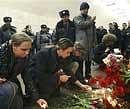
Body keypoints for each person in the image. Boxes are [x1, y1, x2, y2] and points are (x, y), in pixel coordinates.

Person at [0, 32, 47, 109]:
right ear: (14, 46)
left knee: (19, 104)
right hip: (6, 86)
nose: (27, 53)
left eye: (29, 49)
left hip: (10, 82)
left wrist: (37, 98)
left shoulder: (24, 56)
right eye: (24, 49)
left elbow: (27, 76)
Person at [73, 2, 97, 79]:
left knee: (88, 61)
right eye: (84, 9)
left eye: (87, 9)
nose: (86, 10)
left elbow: (94, 31)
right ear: (81, 9)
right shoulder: (77, 18)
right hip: (80, 44)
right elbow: (82, 25)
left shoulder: (90, 18)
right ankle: (80, 78)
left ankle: (88, 76)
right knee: (80, 61)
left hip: (90, 44)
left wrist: (94, 42)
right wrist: (91, 21)